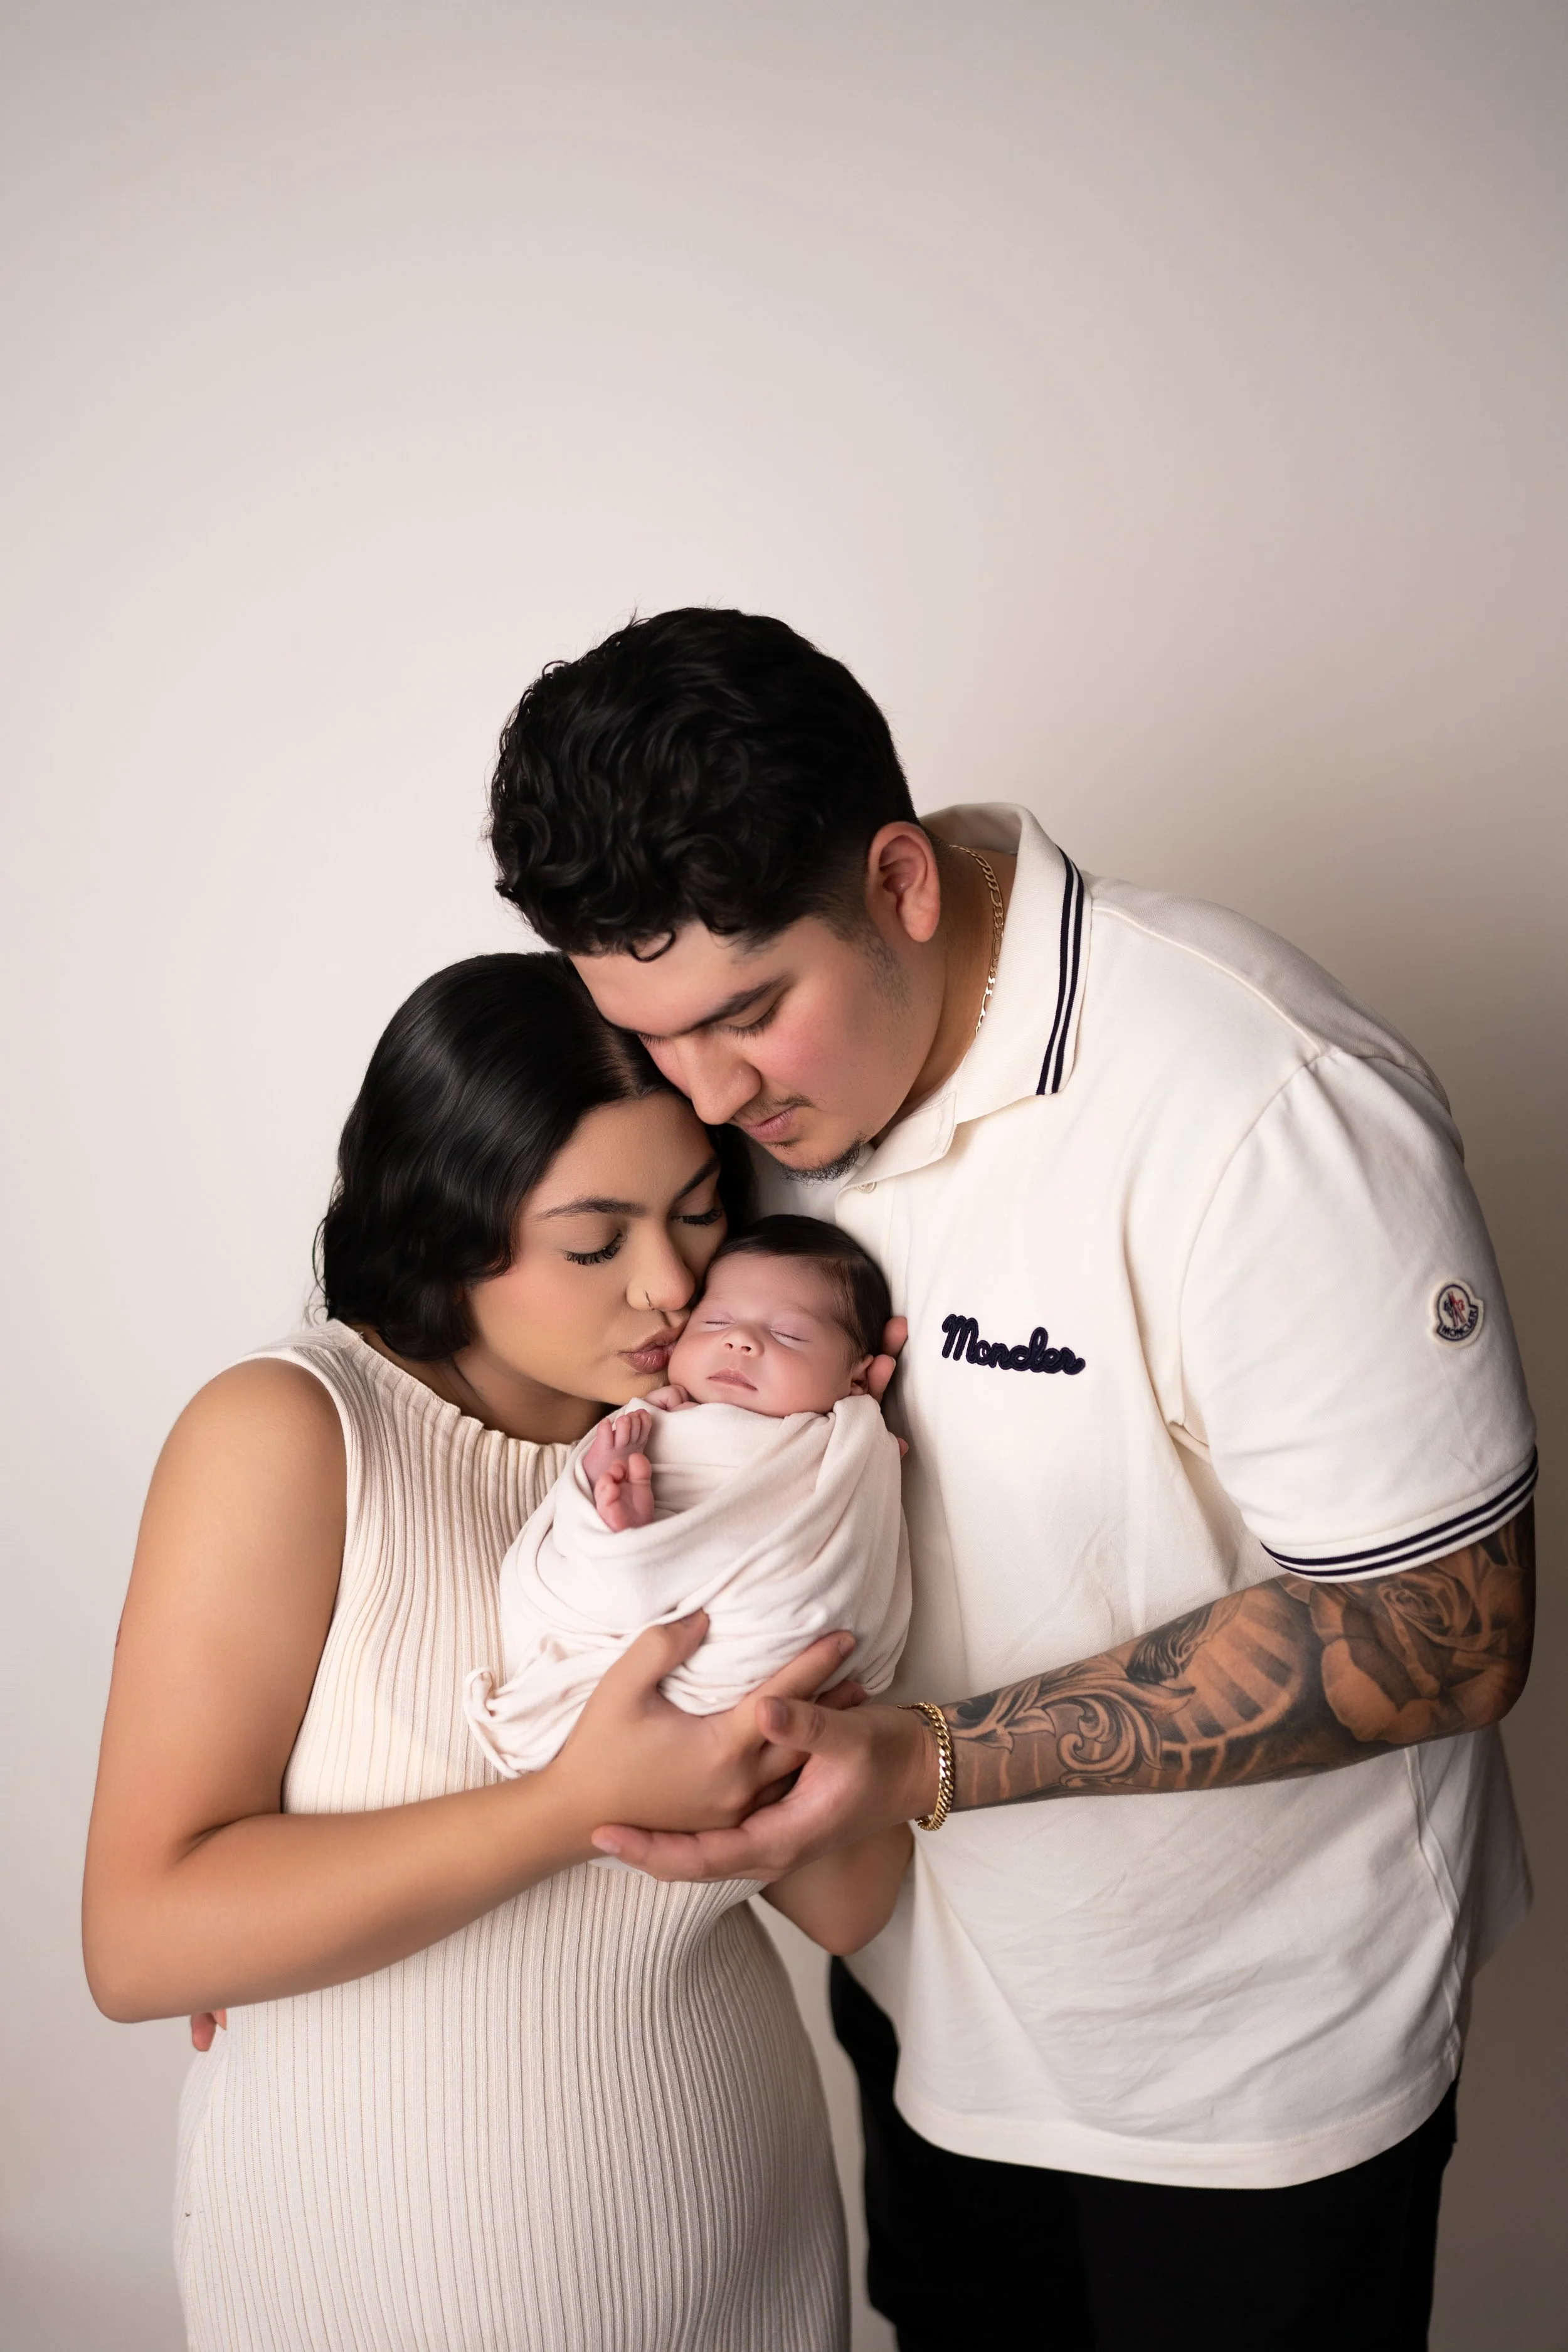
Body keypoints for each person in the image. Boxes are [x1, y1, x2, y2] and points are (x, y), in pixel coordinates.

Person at [486, 607, 1538, 2352]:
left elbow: (1452, 1626)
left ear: (899, 882)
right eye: (655, 1033)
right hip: (920, 2013)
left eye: (749, 1014)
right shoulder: (741, 1115)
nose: (710, 1091)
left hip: (1240, 2080)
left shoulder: (1255, 1102)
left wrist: (929, 1758)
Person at [82, 950, 904, 2352]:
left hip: (736, 2246)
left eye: (698, 1214)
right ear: (444, 1226)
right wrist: (571, 1803)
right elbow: (141, 1941)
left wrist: (807, 1507)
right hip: (373, 2279)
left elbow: (849, 1902)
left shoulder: (756, 1452)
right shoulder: (292, 1434)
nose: (669, 1288)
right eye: (593, 1244)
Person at [465, 1215, 911, 1774]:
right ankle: (627, 1534)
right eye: (715, 1321)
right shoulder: (650, 1422)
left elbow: (848, 1558)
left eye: (789, 1335)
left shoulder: (843, 1446)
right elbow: (565, 1528)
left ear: (856, 1379)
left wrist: (865, 1459)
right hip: (610, 1610)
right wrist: (599, 1484)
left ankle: (638, 1547)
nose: (739, 1340)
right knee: (613, 1508)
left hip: (756, 1641)